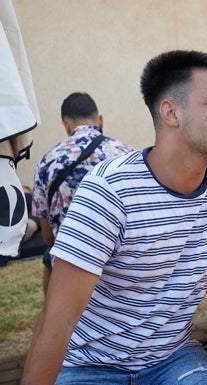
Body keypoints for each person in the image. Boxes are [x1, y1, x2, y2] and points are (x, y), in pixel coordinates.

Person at [21, 50, 207, 385]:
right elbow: (56, 322)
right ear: (171, 113)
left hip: (172, 359)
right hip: (88, 366)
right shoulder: (109, 192)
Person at [31, 92, 134, 295]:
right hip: (124, 265)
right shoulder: (127, 153)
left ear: (66, 125)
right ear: (100, 120)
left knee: (49, 255)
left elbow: (49, 238)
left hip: (71, 267)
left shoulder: (47, 161)